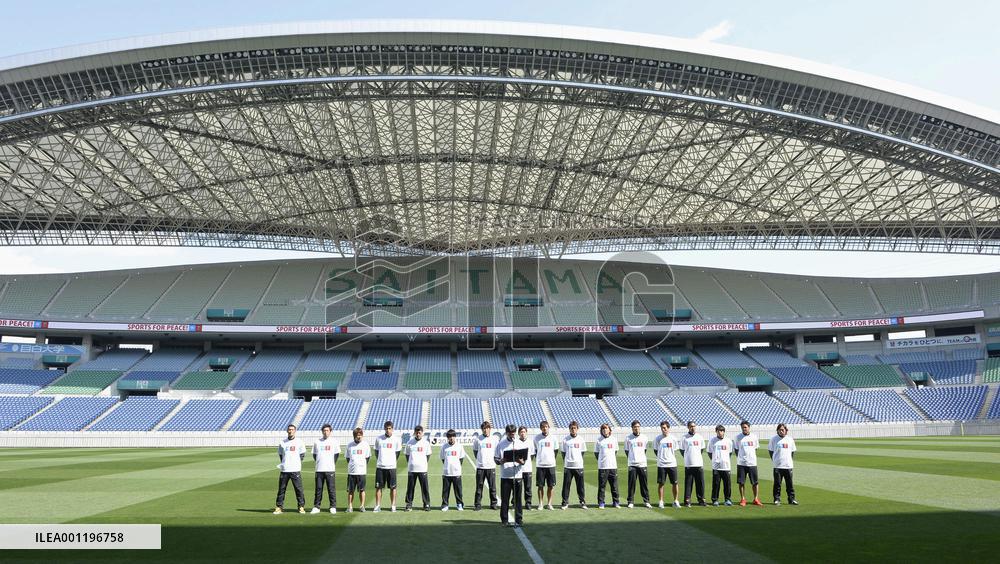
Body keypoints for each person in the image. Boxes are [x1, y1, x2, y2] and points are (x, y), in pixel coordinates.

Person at [495, 424, 528, 527]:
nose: (512, 435)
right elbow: (496, 459)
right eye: (510, 433)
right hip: (505, 476)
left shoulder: (519, 443)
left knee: (518, 499)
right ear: (507, 433)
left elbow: (524, 460)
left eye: (513, 433)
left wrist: (521, 461)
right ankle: (504, 520)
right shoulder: (501, 444)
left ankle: (519, 519)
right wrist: (501, 461)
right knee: (505, 499)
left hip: (517, 475)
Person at [274, 423, 306, 514]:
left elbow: (302, 455)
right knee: (281, 489)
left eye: (292, 429)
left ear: (295, 431)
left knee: (298, 489)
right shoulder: (282, 442)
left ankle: (301, 506)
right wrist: (285, 463)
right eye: (289, 429)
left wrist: (296, 463)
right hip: (285, 470)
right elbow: (280, 454)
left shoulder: (299, 442)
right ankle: (279, 507)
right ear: (287, 431)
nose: (290, 431)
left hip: (295, 469)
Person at [311, 423, 340, 514]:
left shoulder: (334, 442)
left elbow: (336, 454)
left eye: (327, 430)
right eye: (324, 431)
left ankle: (332, 506)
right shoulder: (317, 442)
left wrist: (331, 463)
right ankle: (316, 506)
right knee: (318, 489)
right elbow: (314, 454)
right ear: (322, 432)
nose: (325, 432)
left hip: (330, 469)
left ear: (330, 432)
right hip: (319, 469)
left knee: (331, 489)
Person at [373, 420, 402, 512]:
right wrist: (381, 460)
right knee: (378, 487)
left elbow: (397, 453)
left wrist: (391, 461)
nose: (388, 430)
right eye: (386, 428)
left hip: (391, 467)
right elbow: (376, 451)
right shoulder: (379, 439)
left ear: (392, 429)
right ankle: (377, 505)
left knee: (393, 487)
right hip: (380, 467)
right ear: (384, 429)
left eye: (389, 428)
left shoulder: (396, 439)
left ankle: (393, 505)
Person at [733, 420, 763, 507]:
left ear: (749, 427)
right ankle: (743, 499)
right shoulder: (737, 437)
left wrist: (750, 457)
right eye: (742, 427)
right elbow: (736, 450)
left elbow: (755, 448)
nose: (744, 429)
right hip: (741, 463)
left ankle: (756, 499)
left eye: (745, 427)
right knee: (741, 482)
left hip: (752, 463)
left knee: (755, 482)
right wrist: (742, 458)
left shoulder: (754, 437)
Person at [623, 420, 651, 508]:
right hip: (632, 464)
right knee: (631, 484)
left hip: (642, 464)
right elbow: (626, 451)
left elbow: (645, 450)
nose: (637, 428)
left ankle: (646, 501)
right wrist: (632, 459)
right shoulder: (628, 438)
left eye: (638, 426)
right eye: (635, 427)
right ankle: (630, 501)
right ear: (632, 428)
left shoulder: (644, 438)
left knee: (644, 484)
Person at [560, 420, 588, 510]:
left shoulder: (581, 439)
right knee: (566, 486)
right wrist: (568, 460)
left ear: (577, 429)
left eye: (575, 428)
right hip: (568, 466)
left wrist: (577, 460)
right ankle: (564, 502)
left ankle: (582, 502)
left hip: (579, 466)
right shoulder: (565, 440)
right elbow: (563, 453)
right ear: (569, 429)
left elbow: (582, 452)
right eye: (571, 428)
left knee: (580, 486)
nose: (573, 430)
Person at [653, 420, 681, 508]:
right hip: (661, 465)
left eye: (665, 428)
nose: (663, 429)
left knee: (675, 483)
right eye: (662, 428)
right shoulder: (657, 439)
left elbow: (675, 450)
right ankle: (661, 501)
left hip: (672, 464)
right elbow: (655, 450)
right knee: (661, 484)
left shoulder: (674, 439)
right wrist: (661, 458)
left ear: (668, 428)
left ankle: (675, 501)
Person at [768, 423, 798, 505]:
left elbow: (792, 452)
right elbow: (771, 451)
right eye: (780, 430)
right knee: (777, 484)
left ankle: (791, 499)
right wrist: (775, 460)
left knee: (790, 484)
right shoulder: (773, 439)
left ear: (786, 430)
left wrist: (789, 460)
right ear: (777, 431)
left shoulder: (790, 439)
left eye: (783, 430)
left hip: (788, 465)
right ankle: (777, 499)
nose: (781, 431)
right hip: (778, 465)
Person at [472, 421, 498, 511]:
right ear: (482, 430)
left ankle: (493, 504)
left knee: (492, 487)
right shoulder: (478, 439)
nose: (485, 430)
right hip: (480, 467)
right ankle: (477, 504)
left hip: (491, 466)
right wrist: (480, 460)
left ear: (490, 429)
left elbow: (497, 451)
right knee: (479, 487)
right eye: (484, 429)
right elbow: (475, 451)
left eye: (487, 428)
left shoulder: (494, 439)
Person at [679, 420, 706, 507]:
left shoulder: (700, 437)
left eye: (694, 426)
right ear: (688, 427)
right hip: (689, 464)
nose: (693, 428)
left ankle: (701, 500)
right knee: (688, 484)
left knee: (700, 484)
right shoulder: (684, 438)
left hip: (699, 464)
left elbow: (701, 450)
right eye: (691, 426)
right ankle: (687, 500)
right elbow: (682, 450)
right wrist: (688, 457)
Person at [404, 425, 431, 511]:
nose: (418, 434)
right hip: (412, 469)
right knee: (410, 487)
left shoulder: (426, 443)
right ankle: (409, 504)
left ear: (422, 433)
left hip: (422, 469)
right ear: (414, 433)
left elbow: (428, 455)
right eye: (416, 432)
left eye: (419, 432)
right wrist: (412, 463)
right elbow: (407, 455)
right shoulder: (409, 443)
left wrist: (422, 463)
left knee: (425, 488)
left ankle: (426, 504)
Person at [345, 427, 371, 513]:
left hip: (362, 472)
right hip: (352, 472)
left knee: (362, 490)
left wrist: (361, 465)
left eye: (360, 435)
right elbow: (348, 458)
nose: (359, 437)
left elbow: (367, 458)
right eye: (357, 435)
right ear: (354, 436)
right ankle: (350, 506)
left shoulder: (366, 445)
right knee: (350, 490)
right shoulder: (349, 445)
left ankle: (362, 506)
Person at [708, 424, 734, 506]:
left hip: (726, 466)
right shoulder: (712, 441)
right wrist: (715, 460)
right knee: (716, 484)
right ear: (716, 431)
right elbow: (709, 452)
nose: (721, 432)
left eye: (722, 431)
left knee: (727, 484)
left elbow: (730, 453)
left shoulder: (728, 441)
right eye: (719, 431)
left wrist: (724, 460)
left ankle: (727, 499)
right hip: (716, 467)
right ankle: (715, 500)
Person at [595, 423, 620, 509]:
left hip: (613, 466)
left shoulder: (614, 440)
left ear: (609, 430)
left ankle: (616, 502)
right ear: (601, 431)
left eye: (606, 428)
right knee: (602, 486)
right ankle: (601, 502)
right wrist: (602, 461)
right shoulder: (599, 440)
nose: (605, 430)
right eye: (603, 429)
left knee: (614, 486)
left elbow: (615, 451)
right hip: (602, 467)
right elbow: (596, 453)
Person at [533, 420, 557, 510]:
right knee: (540, 486)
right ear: (541, 428)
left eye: (546, 427)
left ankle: (549, 504)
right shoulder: (536, 438)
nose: (545, 428)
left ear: (548, 428)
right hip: (540, 466)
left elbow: (556, 450)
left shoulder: (553, 438)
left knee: (551, 486)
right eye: (543, 427)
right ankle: (540, 504)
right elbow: (535, 451)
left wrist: (550, 459)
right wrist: (540, 459)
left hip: (551, 465)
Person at [440, 429, 466, 511]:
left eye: (453, 436)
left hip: (456, 472)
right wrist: (447, 466)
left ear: (455, 437)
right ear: (447, 438)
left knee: (458, 491)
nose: (451, 438)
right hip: (446, 472)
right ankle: (445, 505)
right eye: (449, 436)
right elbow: (443, 458)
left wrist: (456, 467)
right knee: (445, 491)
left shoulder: (459, 446)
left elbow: (461, 459)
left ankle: (459, 504)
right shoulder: (444, 446)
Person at [518, 426, 535, 510]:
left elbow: (532, 455)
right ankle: (516, 503)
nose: (522, 433)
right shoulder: (516, 442)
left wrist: (526, 463)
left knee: (528, 488)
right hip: (518, 469)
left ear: (526, 433)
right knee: (517, 488)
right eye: (521, 432)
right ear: (518, 433)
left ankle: (528, 503)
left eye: (524, 432)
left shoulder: (530, 442)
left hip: (527, 469)